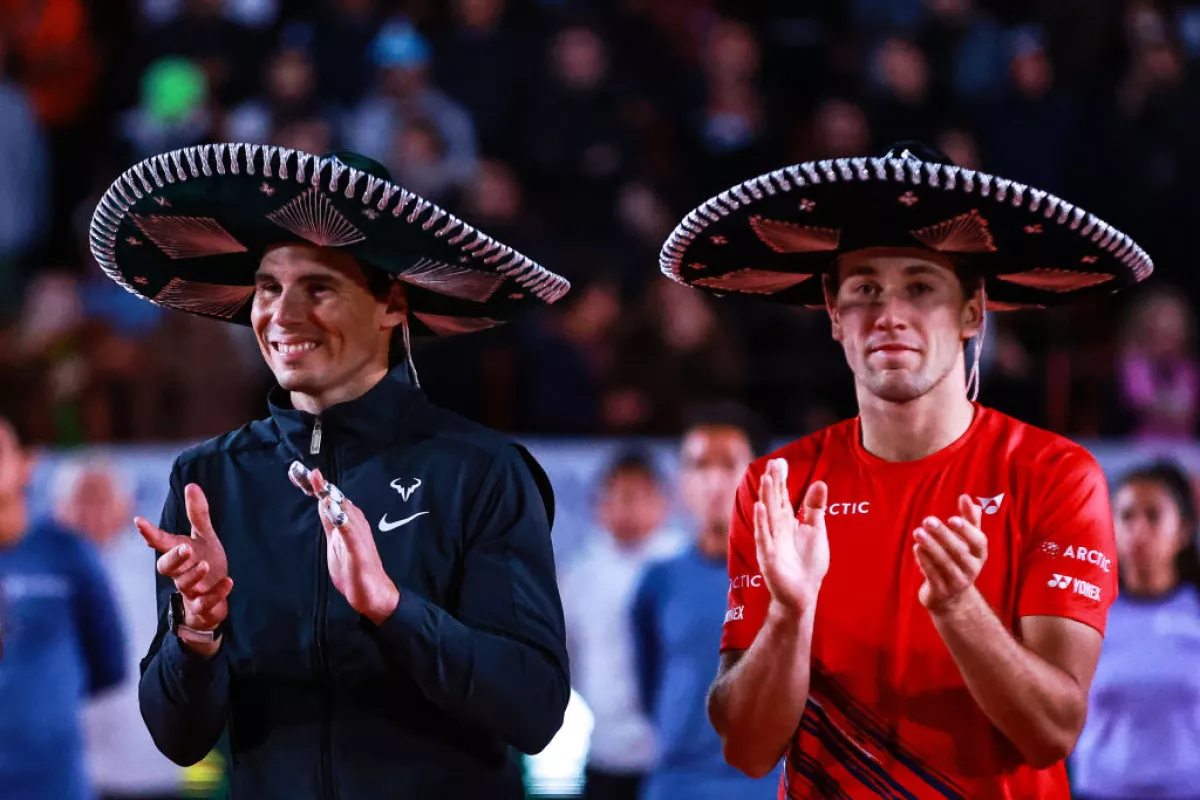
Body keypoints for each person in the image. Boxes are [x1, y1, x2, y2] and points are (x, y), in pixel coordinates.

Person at [656, 141, 1154, 797]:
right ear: (834, 313)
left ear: (972, 311)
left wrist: (959, 610)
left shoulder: (1055, 474)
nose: (889, 315)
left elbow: (1051, 732)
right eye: (865, 289)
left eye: (920, 287)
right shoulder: (779, 486)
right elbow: (748, 750)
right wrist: (788, 614)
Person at [87, 143, 573, 798]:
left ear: (392, 304)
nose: (282, 316)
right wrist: (196, 631)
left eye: (319, 287)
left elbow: (535, 709)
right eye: (267, 288)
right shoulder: (208, 481)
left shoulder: (481, 472)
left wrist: (392, 609)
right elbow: (178, 738)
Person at [630, 403, 781, 800]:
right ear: (681, 479)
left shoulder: (796, 578)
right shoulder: (658, 580)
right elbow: (650, 683)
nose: (713, 481)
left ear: (760, 474)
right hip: (676, 784)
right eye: (698, 466)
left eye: (729, 464)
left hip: (773, 786)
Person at [0, 415, 126, 799]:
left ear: (27, 464)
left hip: (55, 785)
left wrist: (45, 697)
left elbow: (109, 664)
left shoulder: (67, 552)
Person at [52, 456, 185, 800]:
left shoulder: (158, 570)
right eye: (82, 499)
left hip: (151, 767)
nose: (91, 512)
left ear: (126, 506)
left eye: (102, 499)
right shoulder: (37, 577)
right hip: (66, 770)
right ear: (59, 508)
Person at [1069, 460, 1200, 798]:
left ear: (1184, 531)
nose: (1138, 530)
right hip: (1100, 790)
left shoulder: (1194, 612)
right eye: (1127, 516)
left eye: (1153, 516)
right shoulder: (1082, 611)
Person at [559, 451, 685, 800]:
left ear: (664, 501)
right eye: (617, 496)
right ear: (597, 504)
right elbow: (567, 658)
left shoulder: (687, 567)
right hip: (606, 751)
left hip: (679, 757)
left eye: (639, 496)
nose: (628, 508)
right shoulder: (578, 577)